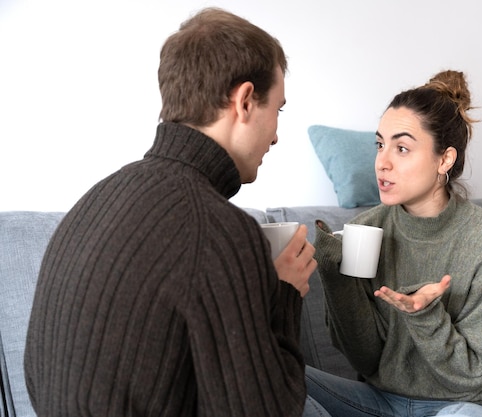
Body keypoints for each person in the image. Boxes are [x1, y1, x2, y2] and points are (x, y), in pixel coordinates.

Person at [24, 7, 329, 417]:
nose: (276, 135)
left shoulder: (98, 197)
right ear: (243, 101)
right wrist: (285, 295)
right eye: (278, 109)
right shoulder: (217, 229)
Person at [306, 70, 482, 417]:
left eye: (401, 148)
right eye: (380, 145)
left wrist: (425, 316)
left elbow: (475, 376)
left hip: (461, 405)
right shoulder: (364, 230)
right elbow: (364, 359)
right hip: (378, 402)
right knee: (280, 378)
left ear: (444, 160)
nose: (382, 162)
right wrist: (336, 276)